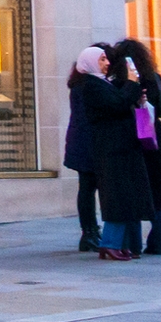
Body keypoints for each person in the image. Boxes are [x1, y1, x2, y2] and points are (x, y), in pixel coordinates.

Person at [72, 43, 152, 261]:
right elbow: (117, 104)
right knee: (117, 197)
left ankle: (119, 243)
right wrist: (131, 84)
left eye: (107, 59)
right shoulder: (91, 85)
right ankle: (110, 243)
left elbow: (120, 102)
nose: (107, 63)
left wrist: (135, 97)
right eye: (102, 60)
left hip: (121, 147)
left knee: (125, 197)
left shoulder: (102, 82)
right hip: (111, 149)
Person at [114, 38, 161, 255]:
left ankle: (132, 244)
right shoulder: (155, 78)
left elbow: (118, 106)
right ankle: (157, 243)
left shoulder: (123, 82)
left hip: (132, 137)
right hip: (156, 137)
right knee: (159, 194)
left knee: (134, 192)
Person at [64, 56, 101, 252]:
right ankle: (90, 232)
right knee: (88, 188)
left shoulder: (80, 84)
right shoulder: (88, 85)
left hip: (82, 142)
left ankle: (90, 231)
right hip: (88, 142)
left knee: (86, 188)